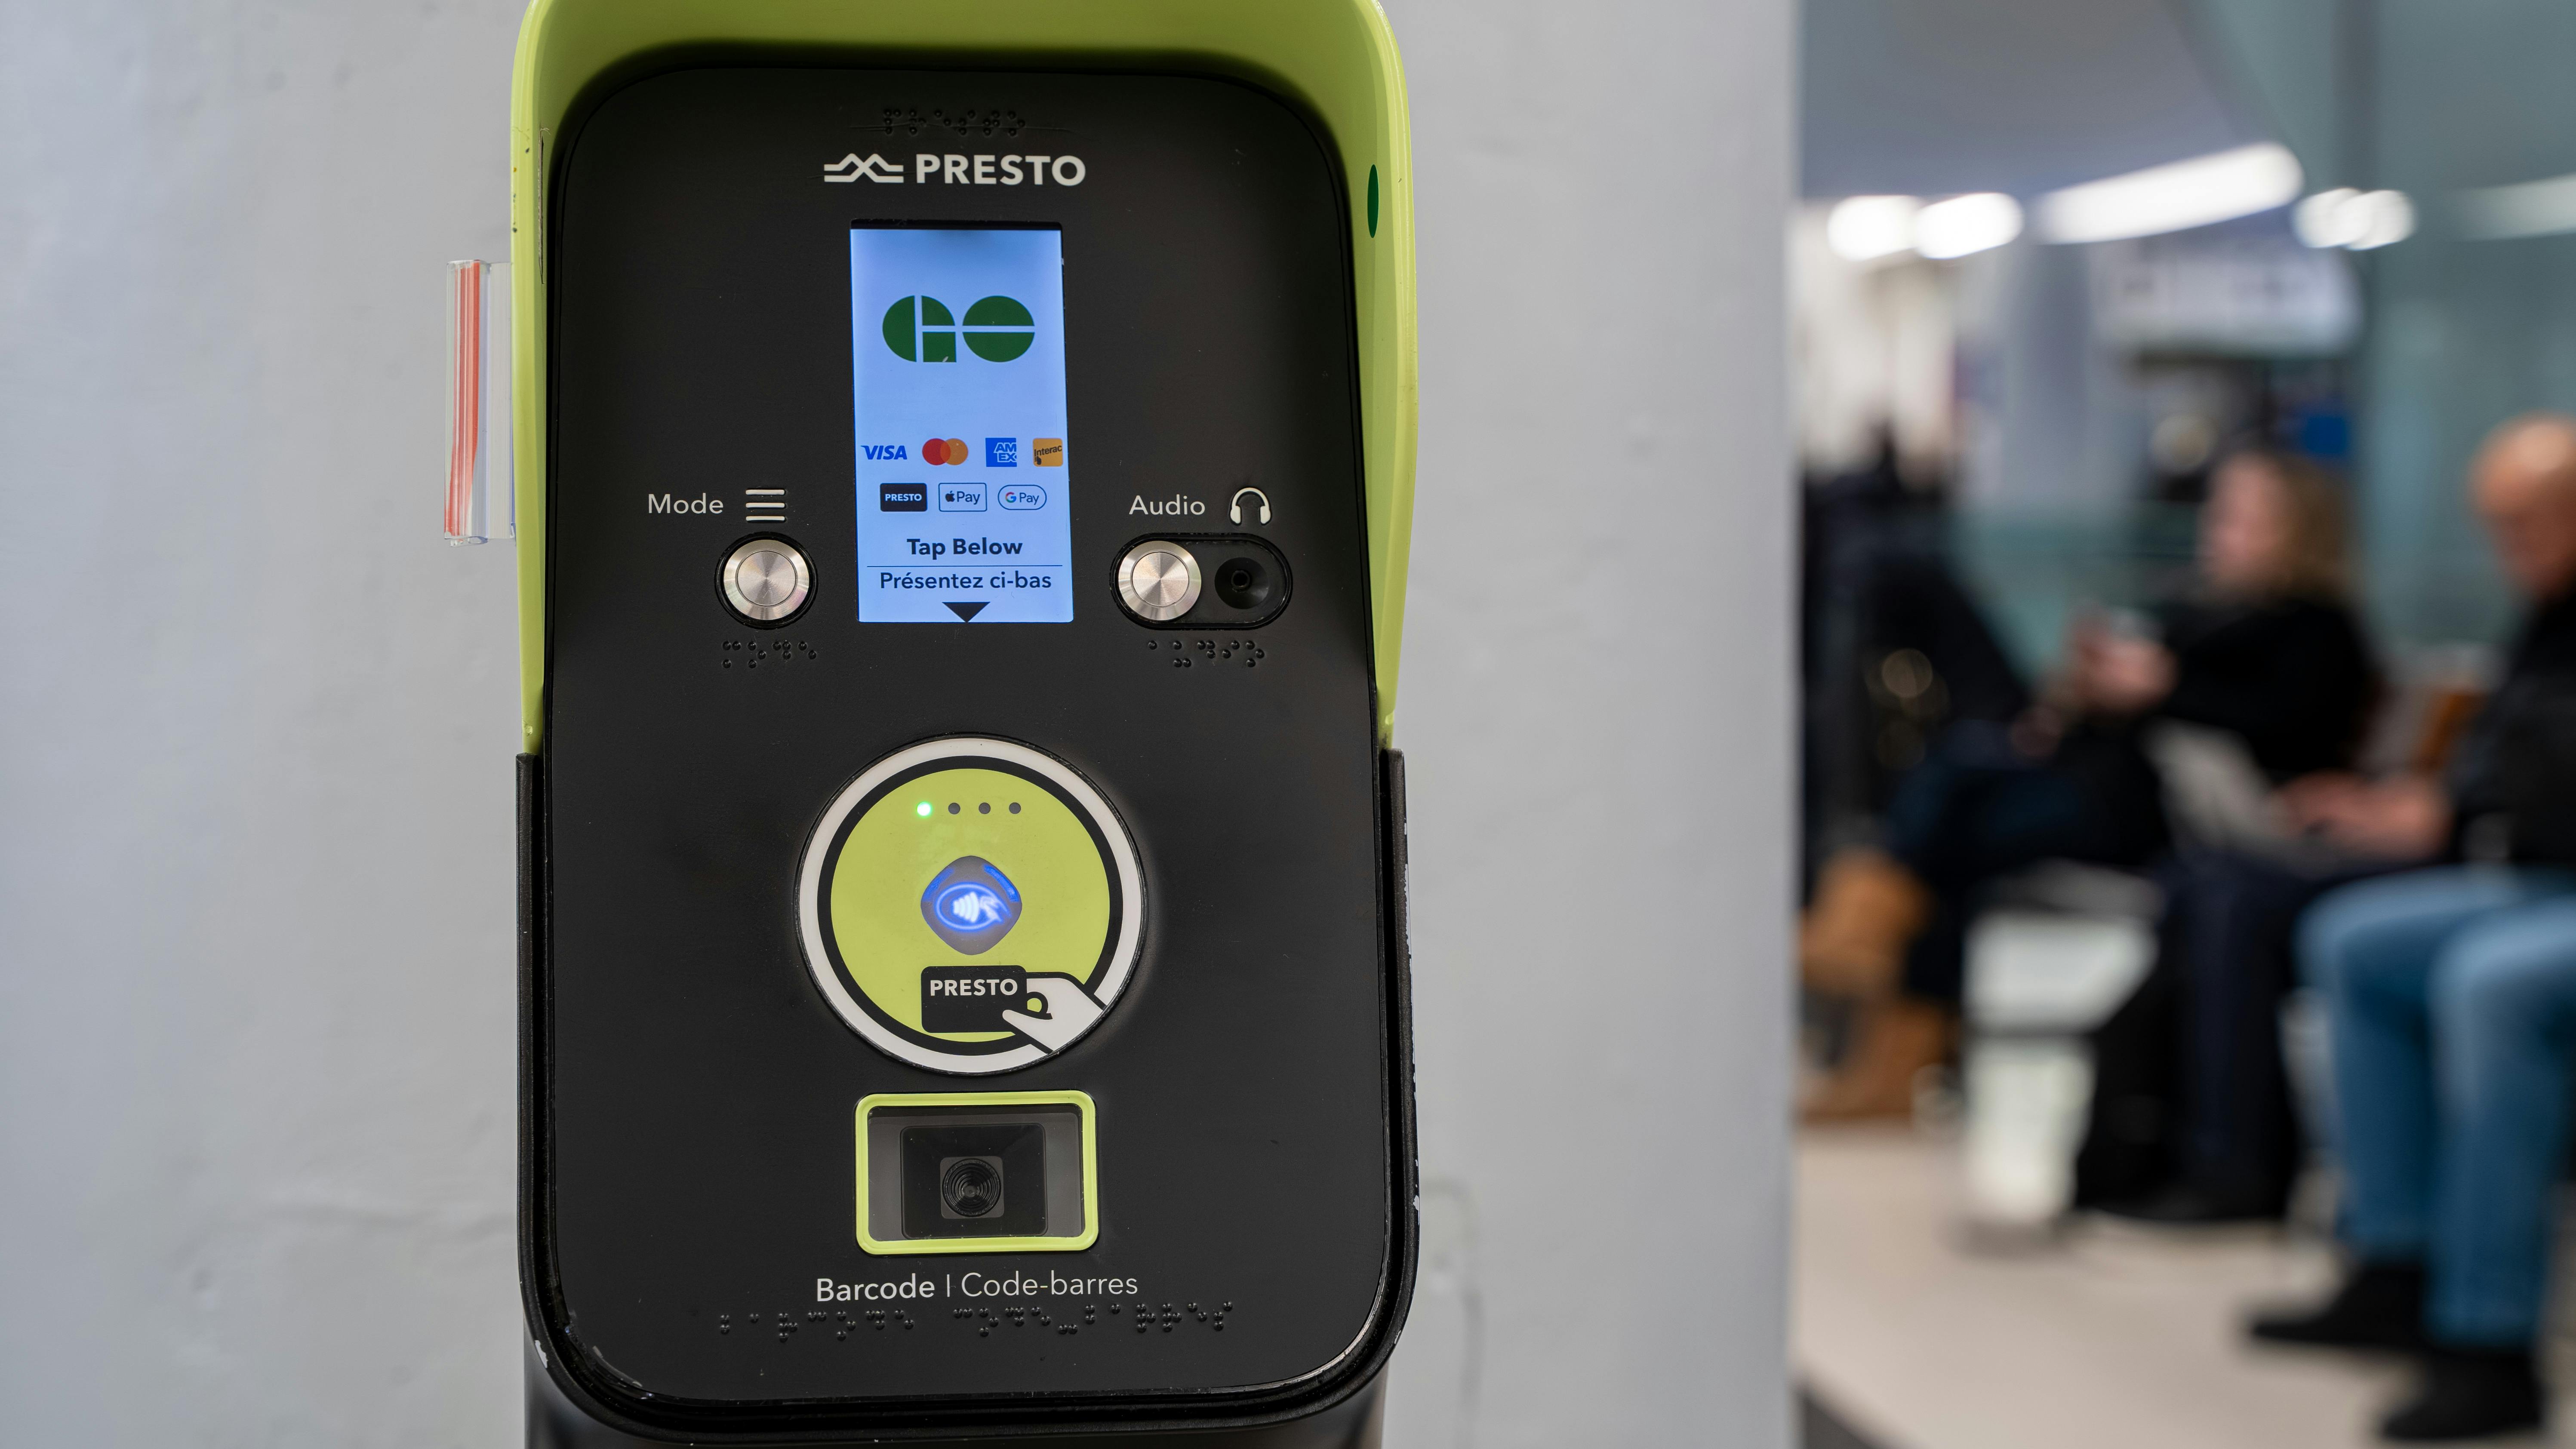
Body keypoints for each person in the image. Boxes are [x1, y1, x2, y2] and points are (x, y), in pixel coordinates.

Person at [1802, 450, 2378, 1119]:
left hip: (2166, 810)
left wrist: (2160, 688)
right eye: (2220, 516)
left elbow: (2284, 728)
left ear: (2295, 530)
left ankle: (1864, 949)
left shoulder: (2316, 628)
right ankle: (1878, 980)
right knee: (1958, 779)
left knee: (1956, 798)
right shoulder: (2202, 611)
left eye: (2245, 520)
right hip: (2105, 779)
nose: (2221, 533)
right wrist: (2092, 695)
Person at [2248, 415, 2576, 1442]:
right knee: (2354, 940)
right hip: (2538, 873)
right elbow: (2508, 773)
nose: (2507, 547)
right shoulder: (2548, 619)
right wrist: (2431, 812)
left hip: (2545, 885)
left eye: (2526, 524)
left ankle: (2489, 1340)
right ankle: (2394, 1255)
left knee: (2490, 982)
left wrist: (2473, 817)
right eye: (2497, 526)